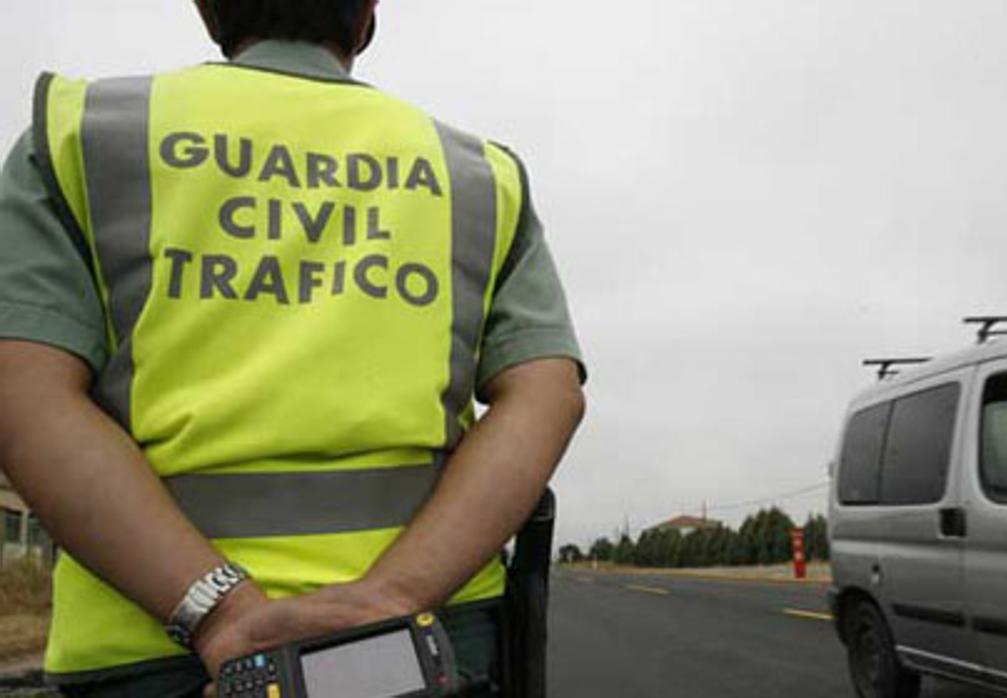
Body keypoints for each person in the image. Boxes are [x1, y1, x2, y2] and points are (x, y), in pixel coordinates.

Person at [0, 0, 586, 695]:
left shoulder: (82, 135)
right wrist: (391, 603)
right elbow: (548, 392)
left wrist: (222, 616)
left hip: (153, 655)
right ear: (367, 17)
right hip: (427, 650)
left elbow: (24, 391)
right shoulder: (479, 175)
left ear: (209, 11)